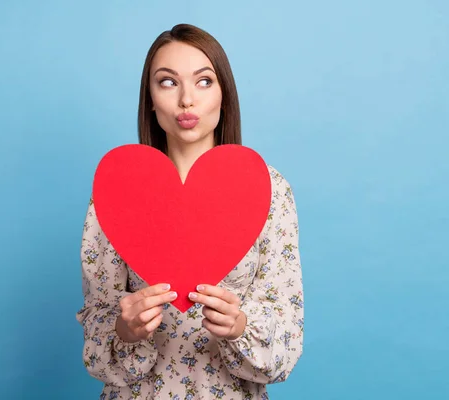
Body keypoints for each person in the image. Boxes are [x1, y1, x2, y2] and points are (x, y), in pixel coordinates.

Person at [76, 23, 304, 399]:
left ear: (224, 95)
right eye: (167, 82)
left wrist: (240, 326)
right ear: (149, 97)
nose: (186, 100)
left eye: (203, 81)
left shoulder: (270, 188)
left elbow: (286, 340)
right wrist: (125, 330)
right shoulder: (117, 189)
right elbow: (97, 335)